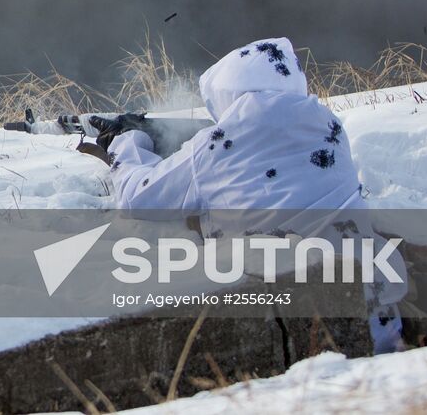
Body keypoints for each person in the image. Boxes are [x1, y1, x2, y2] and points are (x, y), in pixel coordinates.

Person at [91, 36, 406, 354]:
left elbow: (137, 198)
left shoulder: (217, 144)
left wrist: (126, 141)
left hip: (295, 338)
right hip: (380, 320)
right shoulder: (329, 125)